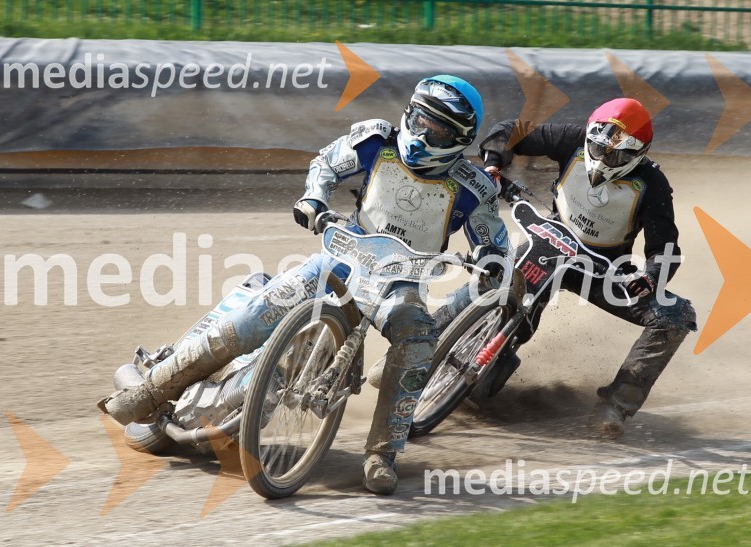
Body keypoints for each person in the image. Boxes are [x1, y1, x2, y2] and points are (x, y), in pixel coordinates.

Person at [98, 75, 509, 495]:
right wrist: (314, 199)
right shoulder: (376, 141)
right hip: (341, 258)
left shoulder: (474, 188)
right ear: (409, 112)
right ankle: (149, 392)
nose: (421, 134)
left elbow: (495, 243)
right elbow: (326, 164)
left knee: (418, 340)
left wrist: (491, 264)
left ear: (459, 138)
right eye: (419, 119)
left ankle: (381, 454)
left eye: (436, 129)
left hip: (399, 285)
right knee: (255, 314)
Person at [470, 98, 696, 438]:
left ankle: (615, 407)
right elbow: (508, 131)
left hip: (602, 271)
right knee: (496, 283)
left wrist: (650, 276)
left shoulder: (653, 184)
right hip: (547, 246)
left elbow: (665, 247)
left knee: (676, 316)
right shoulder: (569, 137)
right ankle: (429, 346)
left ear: (638, 154)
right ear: (589, 134)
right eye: (598, 147)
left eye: (616, 155)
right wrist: (493, 163)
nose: (603, 159)